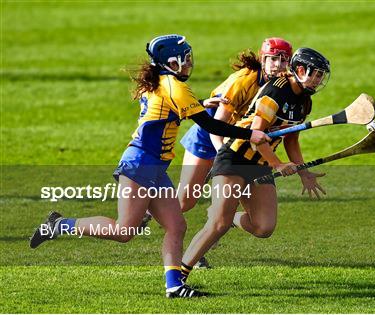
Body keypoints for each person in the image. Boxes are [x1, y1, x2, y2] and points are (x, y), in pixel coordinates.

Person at [28, 34, 269, 298]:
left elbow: (168, 109)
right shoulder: (174, 87)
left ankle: (174, 286)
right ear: (171, 63)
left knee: (177, 225)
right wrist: (250, 134)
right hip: (140, 164)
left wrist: (200, 104)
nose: (189, 64)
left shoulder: (163, 82)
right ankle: (60, 224)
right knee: (124, 231)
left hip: (156, 168)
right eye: (184, 60)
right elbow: (210, 125)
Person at [177, 48, 330, 287]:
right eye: (316, 74)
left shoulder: (304, 101)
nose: (319, 80)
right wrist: (277, 164)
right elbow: (255, 136)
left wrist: (303, 172)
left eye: (321, 75)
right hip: (235, 157)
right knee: (218, 225)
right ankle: (177, 279)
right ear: (300, 70)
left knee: (263, 227)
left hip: (259, 165)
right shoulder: (276, 91)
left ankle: (230, 216)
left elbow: (291, 139)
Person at [140, 38, 293, 268]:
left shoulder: (284, 86)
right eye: (273, 59)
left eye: (284, 60)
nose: (278, 65)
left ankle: (195, 252)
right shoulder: (244, 81)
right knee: (185, 200)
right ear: (263, 59)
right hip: (210, 137)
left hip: (240, 144)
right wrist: (224, 157)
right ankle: (142, 211)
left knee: (225, 212)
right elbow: (216, 123)